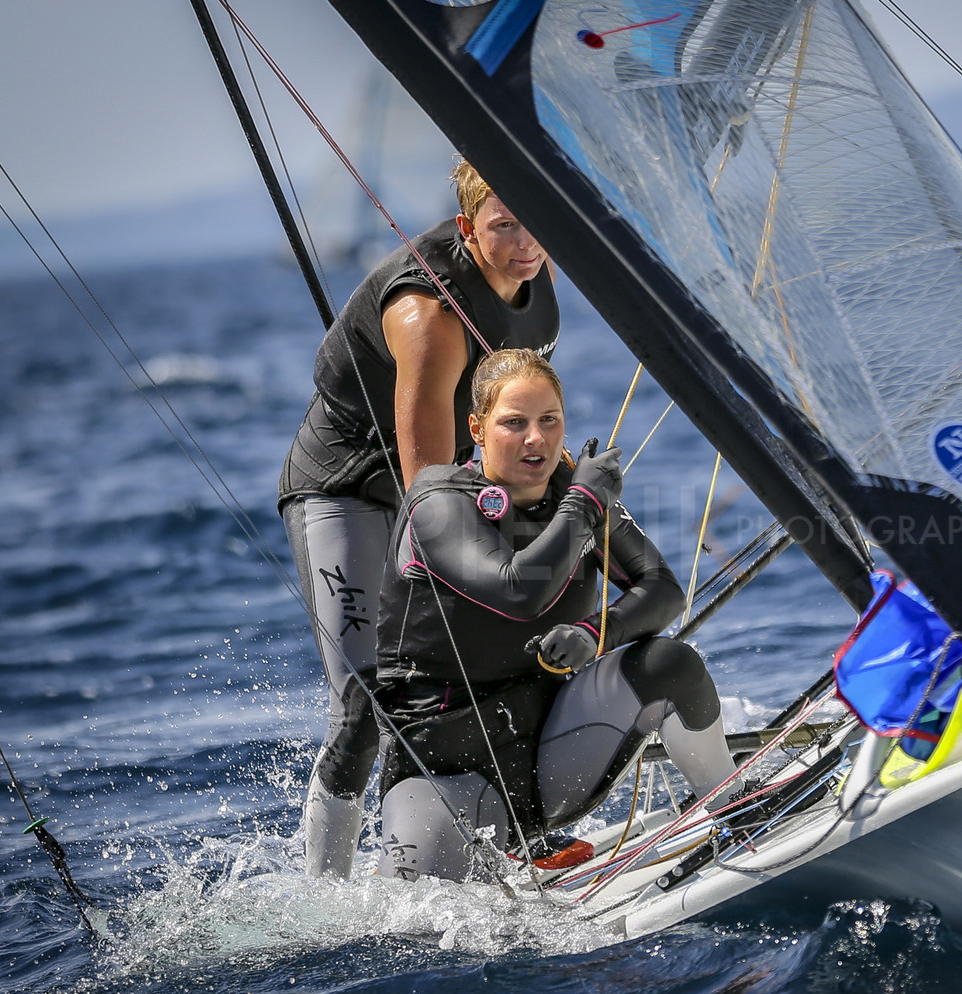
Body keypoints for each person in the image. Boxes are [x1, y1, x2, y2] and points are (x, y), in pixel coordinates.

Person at [280, 161, 560, 877]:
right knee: (370, 702)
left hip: (438, 478)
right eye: (504, 226)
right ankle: (327, 895)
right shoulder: (429, 316)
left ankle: (512, 836)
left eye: (535, 221)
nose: (526, 241)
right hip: (343, 488)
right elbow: (430, 501)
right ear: (468, 230)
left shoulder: (537, 274)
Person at [370, 348, 739, 881]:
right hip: (445, 775)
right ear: (476, 427)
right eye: (513, 423)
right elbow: (518, 590)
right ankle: (508, 856)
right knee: (417, 926)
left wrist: (595, 632)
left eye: (549, 421)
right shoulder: (439, 502)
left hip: (549, 761)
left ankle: (734, 809)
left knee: (668, 663)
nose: (536, 439)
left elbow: (662, 590)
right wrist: (585, 502)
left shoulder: (575, 493)